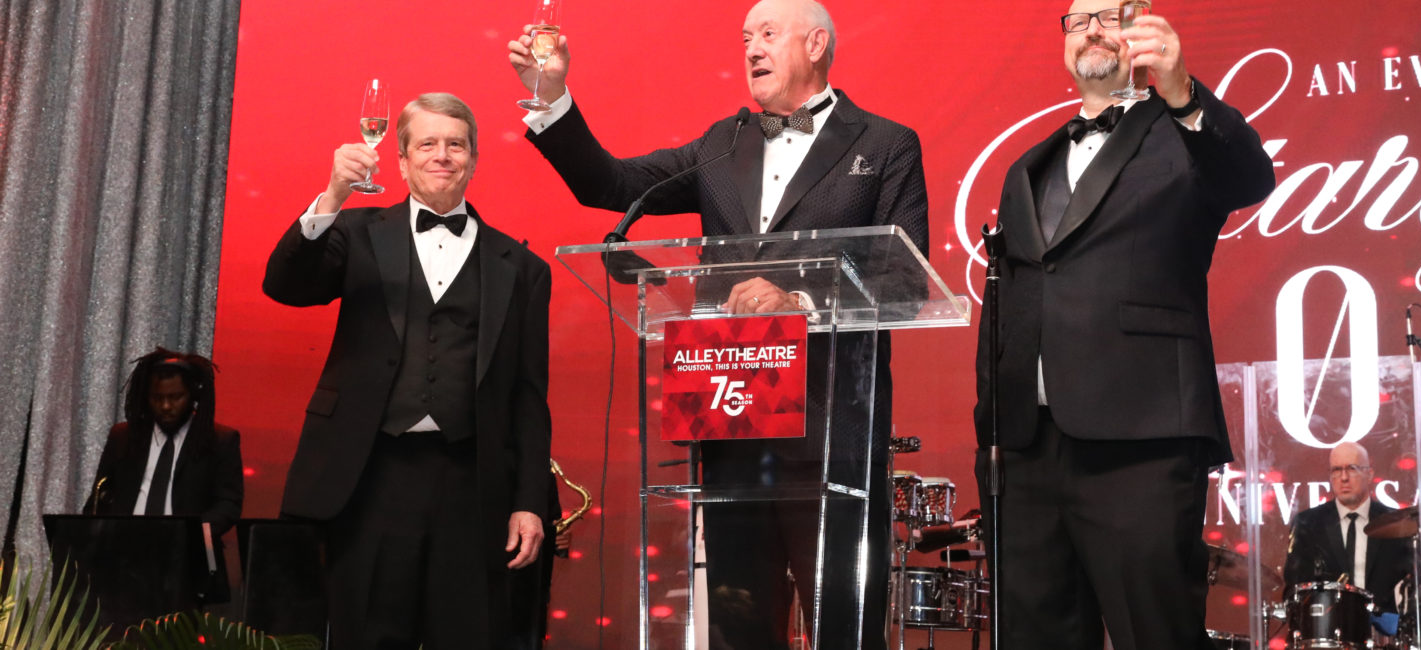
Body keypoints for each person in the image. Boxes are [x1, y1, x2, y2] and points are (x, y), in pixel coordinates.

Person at [508, 1, 927, 647]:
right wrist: (552, 95)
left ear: (816, 44)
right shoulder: (722, 144)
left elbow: (903, 283)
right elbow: (611, 183)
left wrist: (798, 300)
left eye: (767, 35)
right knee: (740, 624)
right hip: (731, 425)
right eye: (744, 39)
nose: (751, 49)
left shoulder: (885, 143)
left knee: (843, 626)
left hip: (831, 432)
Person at [971, 1, 1276, 647]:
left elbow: (1249, 174)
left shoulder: (1183, 134)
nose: (1091, 28)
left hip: (1143, 435)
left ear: (1142, 33)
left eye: (1109, 14)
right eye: (1077, 19)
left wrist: (1185, 94)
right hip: (1026, 446)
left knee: (1154, 632)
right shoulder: (1028, 164)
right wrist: (993, 424)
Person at [262, 92, 553, 649]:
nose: (442, 155)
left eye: (456, 144)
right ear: (400, 161)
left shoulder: (522, 268)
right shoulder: (355, 232)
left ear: (473, 158)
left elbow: (527, 396)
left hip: (473, 483)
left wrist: (528, 500)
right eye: (427, 144)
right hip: (370, 476)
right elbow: (285, 285)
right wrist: (332, 196)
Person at [84, 347, 242, 602]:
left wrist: (187, 535)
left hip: (186, 564)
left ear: (193, 396)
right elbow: (100, 495)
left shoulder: (220, 441)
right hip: (124, 560)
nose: (166, 406)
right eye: (157, 398)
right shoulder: (124, 436)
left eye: (176, 397)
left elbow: (229, 504)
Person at [1284, 442, 1411, 613]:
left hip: (1384, 632)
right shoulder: (1308, 523)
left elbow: (1412, 587)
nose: (1343, 477)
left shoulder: (1397, 523)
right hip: (1328, 631)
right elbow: (1294, 588)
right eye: (1336, 470)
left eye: (1352, 468)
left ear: (1369, 474)